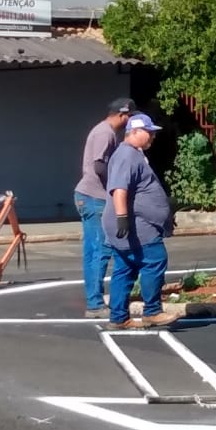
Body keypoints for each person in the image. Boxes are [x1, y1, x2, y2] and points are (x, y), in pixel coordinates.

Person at [102, 112, 175, 329]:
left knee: (125, 267)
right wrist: (123, 218)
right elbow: (119, 190)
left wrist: (160, 213)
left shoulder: (130, 154)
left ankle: (118, 317)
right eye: (149, 132)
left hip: (132, 221)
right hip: (133, 223)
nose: (152, 136)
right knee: (155, 259)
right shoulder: (126, 155)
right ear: (134, 131)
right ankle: (152, 311)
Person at [74, 98, 135, 318]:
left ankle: (94, 301)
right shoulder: (105, 133)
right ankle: (95, 304)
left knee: (93, 252)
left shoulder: (103, 131)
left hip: (88, 196)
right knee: (100, 251)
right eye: (130, 117)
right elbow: (99, 165)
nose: (130, 122)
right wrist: (117, 184)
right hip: (94, 197)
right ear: (122, 115)